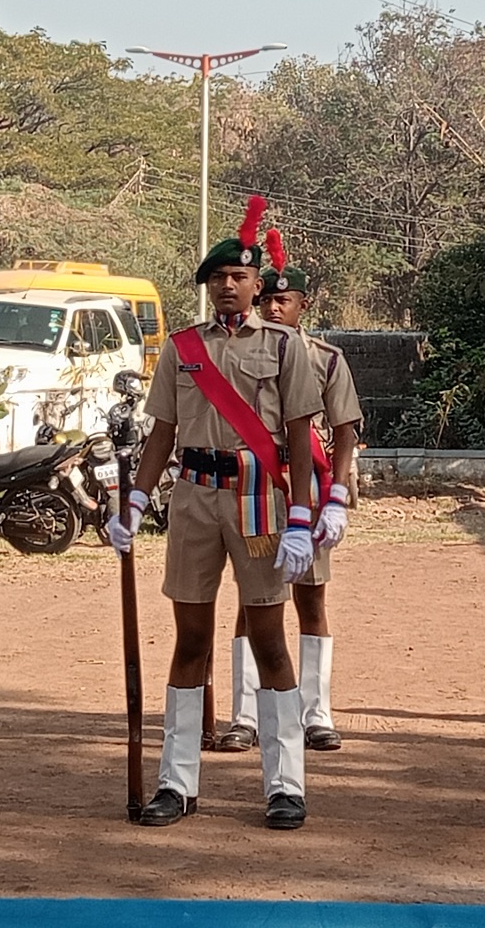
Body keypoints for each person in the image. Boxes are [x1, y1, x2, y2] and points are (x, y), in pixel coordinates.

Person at [109, 197, 323, 829]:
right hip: (195, 498)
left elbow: (299, 437)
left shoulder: (285, 347)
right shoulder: (183, 348)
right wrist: (137, 499)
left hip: (259, 498)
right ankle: (176, 784)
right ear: (206, 286)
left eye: (239, 277)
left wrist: (303, 516)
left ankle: (285, 785)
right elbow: (162, 433)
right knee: (191, 642)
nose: (228, 286)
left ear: (258, 285)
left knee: (270, 642)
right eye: (218, 278)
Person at [220, 230, 362, 753]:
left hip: (307, 491)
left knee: (311, 599)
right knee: (253, 600)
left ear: (303, 305)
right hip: (253, 490)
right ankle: (246, 713)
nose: (274, 308)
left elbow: (344, 430)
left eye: (285, 300)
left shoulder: (325, 358)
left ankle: (315, 711)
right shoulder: (239, 349)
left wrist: (338, 497)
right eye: (268, 300)